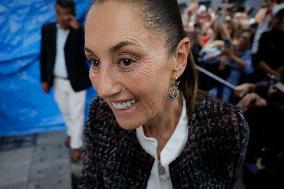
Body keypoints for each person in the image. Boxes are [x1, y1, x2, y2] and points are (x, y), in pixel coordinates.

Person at [81, 0, 249, 188]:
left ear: (178, 58)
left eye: (126, 61)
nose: (103, 89)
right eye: (94, 61)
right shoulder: (100, 116)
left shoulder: (226, 125)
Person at [40, 0, 91, 162]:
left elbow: (88, 55)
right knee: (66, 111)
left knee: (76, 114)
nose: (61, 17)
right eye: (59, 13)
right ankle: (71, 133)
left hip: (76, 81)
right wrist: (44, 79)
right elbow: (44, 55)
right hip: (57, 81)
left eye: (65, 13)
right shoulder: (48, 30)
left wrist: (79, 32)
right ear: (56, 12)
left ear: (72, 14)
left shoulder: (79, 31)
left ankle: (76, 146)